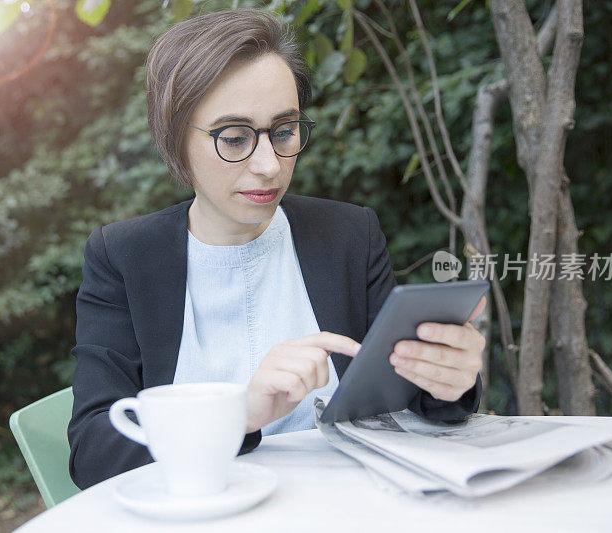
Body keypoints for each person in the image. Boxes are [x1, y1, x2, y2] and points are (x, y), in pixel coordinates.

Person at [67, 8, 486, 490]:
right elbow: (92, 452)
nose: (269, 165)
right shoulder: (124, 257)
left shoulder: (349, 235)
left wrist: (448, 381)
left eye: (284, 131)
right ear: (174, 140)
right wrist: (236, 416)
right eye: (235, 137)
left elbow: (401, 396)